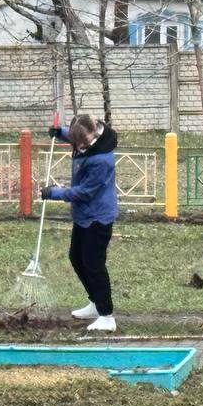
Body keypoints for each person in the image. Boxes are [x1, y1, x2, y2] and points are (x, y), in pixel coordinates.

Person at [42, 113, 119, 332]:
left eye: (80, 143)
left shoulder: (101, 160)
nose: (77, 146)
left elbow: (85, 192)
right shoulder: (85, 134)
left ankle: (107, 316)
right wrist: (60, 133)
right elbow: (73, 133)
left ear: (92, 133)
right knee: (76, 258)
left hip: (98, 217)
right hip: (84, 216)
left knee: (94, 265)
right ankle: (95, 302)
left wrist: (54, 193)